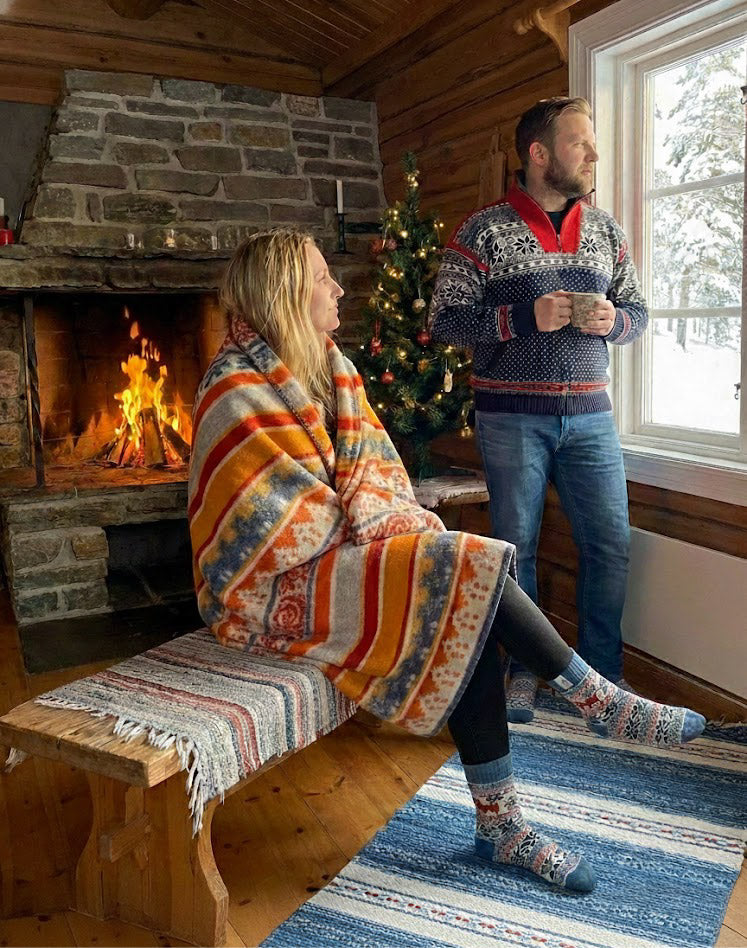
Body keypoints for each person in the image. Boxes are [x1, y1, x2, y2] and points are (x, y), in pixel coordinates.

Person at [188, 228, 705, 896]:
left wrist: (380, 529)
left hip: (342, 551)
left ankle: (503, 823)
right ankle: (590, 707)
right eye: (322, 279)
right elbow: (263, 524)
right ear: (286, 291)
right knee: (462, 569)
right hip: (270, 582)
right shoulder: (233, 388)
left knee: (462, 591)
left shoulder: (328, 367)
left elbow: (372, 468)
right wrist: (376, 538)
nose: (338, 288)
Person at [430, 96, 645, 723]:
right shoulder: (483, 231)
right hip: (510, 418)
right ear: (539, 153)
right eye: (582, 143)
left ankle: (603, 679)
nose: (594, 154)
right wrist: (523, 316)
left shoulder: (607, 232)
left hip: (592, 418)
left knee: (609, 546)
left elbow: (639, 315)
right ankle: (521, 669)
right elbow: (443, 320)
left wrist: (615, 321)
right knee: (514, 548)